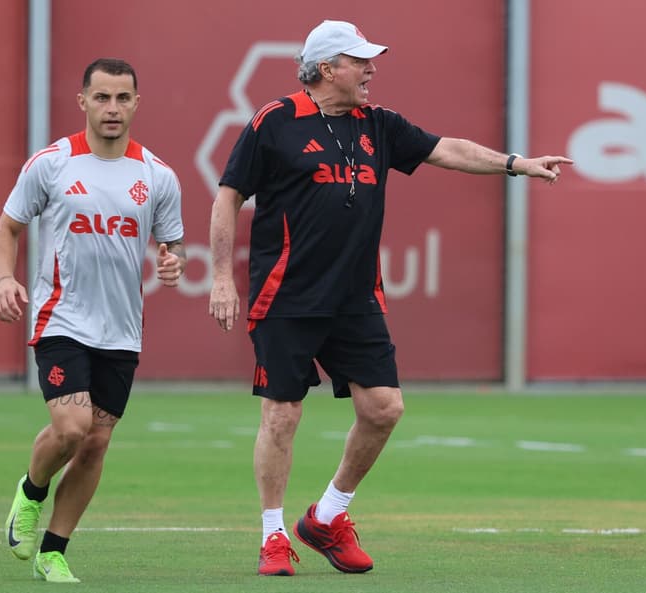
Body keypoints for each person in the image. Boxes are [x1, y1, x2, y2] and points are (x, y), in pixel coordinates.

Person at [208, 19, 571, 577]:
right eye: (360, 60)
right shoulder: (274, 123)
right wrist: (220, 278)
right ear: (328, 68)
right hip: (287, 296)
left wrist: (517, 164)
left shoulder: (379, 124)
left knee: (384, 409)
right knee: (281, 416)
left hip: (355, 297)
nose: (372, 68)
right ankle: (274, 535)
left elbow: (447, 149)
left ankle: (328, 516)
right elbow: (229, 194)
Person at [0, 58, 186, 583]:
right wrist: (5, 279)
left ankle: (54, 551)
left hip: (121, 330)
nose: (113, 109)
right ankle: (30, 494)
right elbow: (7, 229)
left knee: (96, 443)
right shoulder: (51, 163)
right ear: (83, 102)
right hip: (62, 319)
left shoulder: (158, 176)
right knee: (73, 427)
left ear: (137, 103)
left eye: (123, 98)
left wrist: (172, 259)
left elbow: (171, 243)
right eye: (102, 97)